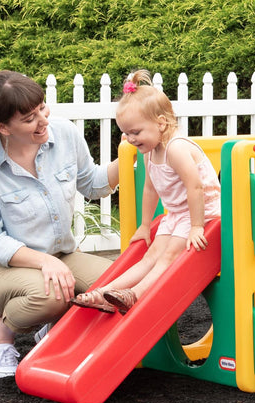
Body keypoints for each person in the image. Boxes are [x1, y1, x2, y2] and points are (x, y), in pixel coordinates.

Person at [0, 70, 119, 378]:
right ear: (2, 127)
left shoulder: (63, 133)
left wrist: (132, 152)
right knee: (51, 295)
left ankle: (57, 331)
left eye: (42, 107)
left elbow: (92, 184)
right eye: (29, 118)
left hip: (60, 255)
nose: (43, 119)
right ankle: (3, 332)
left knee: (120, 287)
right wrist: (43, 263)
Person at [71, 69, 220, 314]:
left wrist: (196, 226)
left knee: (167, 257)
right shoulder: (151, 151)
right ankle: (101, 293)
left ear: (160, 123)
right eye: (126, 133)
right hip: (176, 215)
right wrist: (144, 225)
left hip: (203, 214)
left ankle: (134, 294)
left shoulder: (176, 148)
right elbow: (150, 189)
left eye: (135, 132)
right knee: (150, 258)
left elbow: (195, 187)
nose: (130, 139)